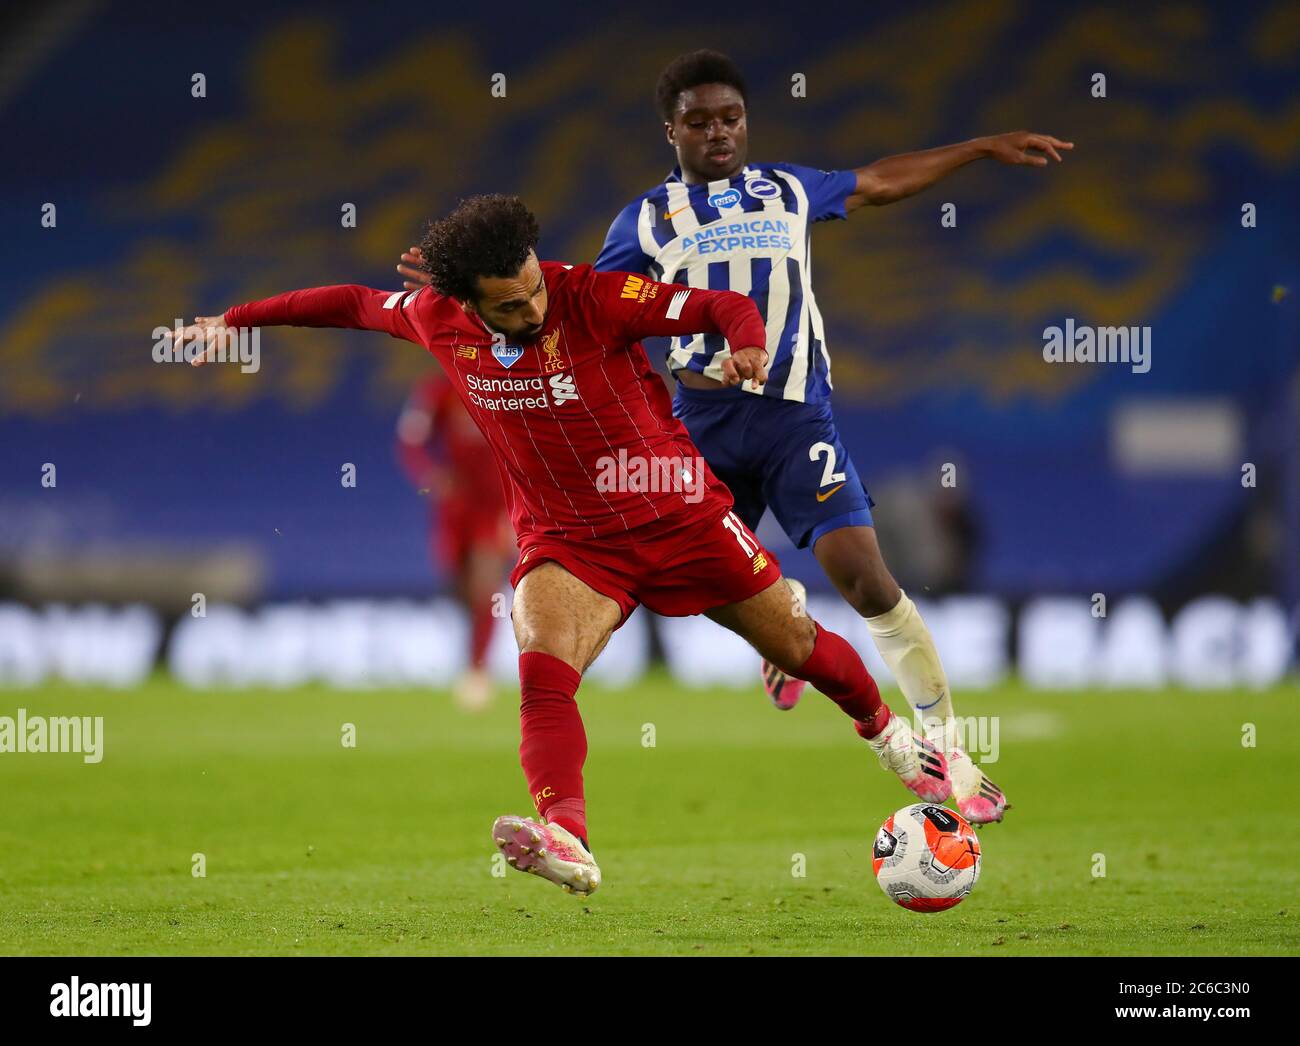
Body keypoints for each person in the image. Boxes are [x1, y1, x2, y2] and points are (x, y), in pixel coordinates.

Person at [175, 194, 950, 897]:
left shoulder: (592, 296)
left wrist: (746, 345)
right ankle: (567, 838)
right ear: (467, 303)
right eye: (510, 305)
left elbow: (720, 304)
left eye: (534, 287)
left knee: (802, 644)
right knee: (543, 671)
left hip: (680, 516)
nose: (534, 307)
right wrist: (233, 322)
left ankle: (889, 739)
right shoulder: (433, 316)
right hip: (570, 540)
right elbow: (348, 303)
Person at [397, 51, 1069, 823]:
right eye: (699, 121)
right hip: (698, 431)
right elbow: (573, 301)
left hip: (793, 417)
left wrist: (978, 148)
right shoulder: (643, 220)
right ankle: (781, 634)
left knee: (867, 579)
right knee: (692, 586)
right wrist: (466, 285)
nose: (718, 132)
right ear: (671, 131)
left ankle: (948, 754)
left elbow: (880, 181)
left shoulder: (788, 188)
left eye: (731, 118)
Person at [396, 371, 513, 709]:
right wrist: (430, 474)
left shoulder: (508, 389)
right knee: (460, 587)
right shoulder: (439, 392)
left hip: (497, 505)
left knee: (486, 584)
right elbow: (410, 440)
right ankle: (472, 657)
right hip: (457, 506)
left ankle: (477, 672)